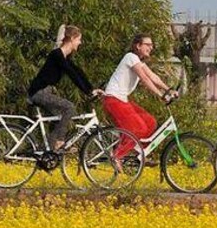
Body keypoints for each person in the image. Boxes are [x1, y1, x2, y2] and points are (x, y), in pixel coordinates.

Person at [26, 25, 101, 153]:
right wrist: (88, 92)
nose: (80, 42)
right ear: (72, 38)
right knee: (69, 107)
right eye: (79, 39)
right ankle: (59, 142)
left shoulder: (64, 57)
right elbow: (71, 74)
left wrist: (91, 89)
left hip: (44, 91)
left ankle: (48, 150)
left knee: (59, 117)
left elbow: (78, 72)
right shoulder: (57, 55)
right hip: (39, 92)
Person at [102, 34, 174, 167]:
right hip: (113, 99)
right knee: (138, 128)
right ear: (138, 46)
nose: (151, 47)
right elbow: (145, 79)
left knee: (150, 122)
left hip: (122, 100)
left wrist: (169, 89)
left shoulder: (139, 62)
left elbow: (153, 76)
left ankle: (139, 154)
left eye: (151, 45)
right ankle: (117, 155)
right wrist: (160, 95)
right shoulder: (130, 57)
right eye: (147, 44)